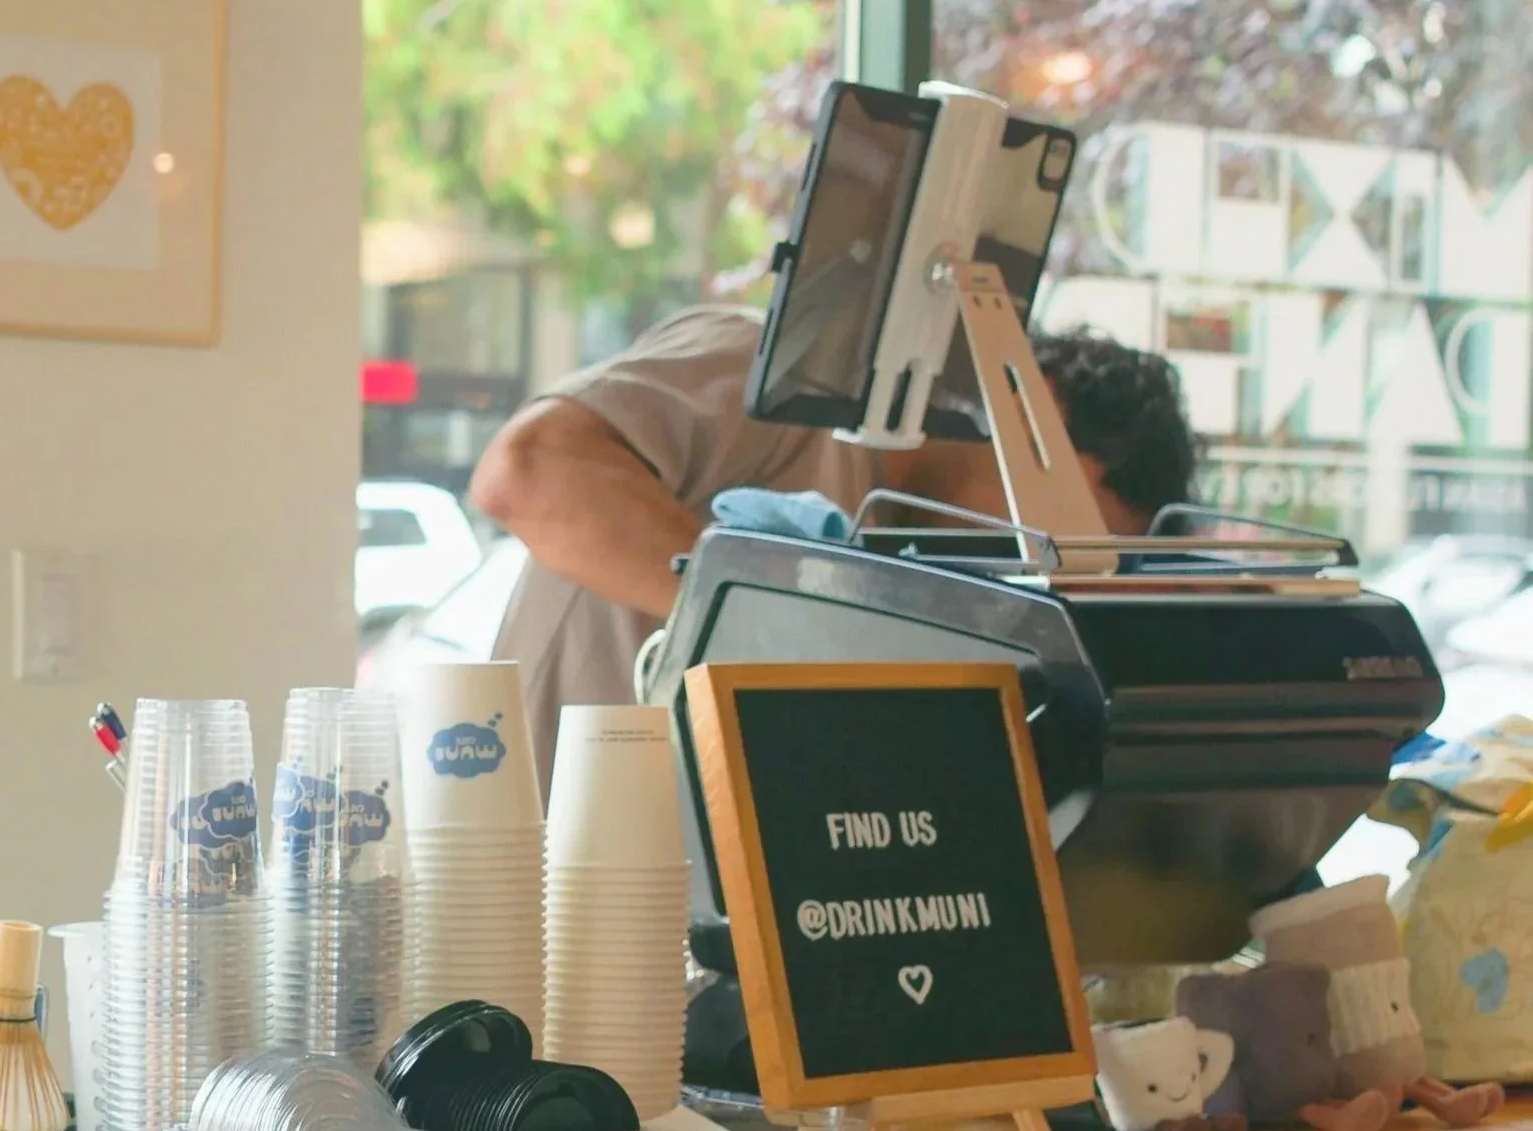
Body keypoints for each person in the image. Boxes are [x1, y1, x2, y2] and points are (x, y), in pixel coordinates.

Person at [470, 307, 1199, 780]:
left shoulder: (905, 554)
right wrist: (770, 624)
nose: (1040, 569)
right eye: (1069, 535)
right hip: (537, 876)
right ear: (1037, 410)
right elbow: (528, 471)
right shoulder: (780, 375)